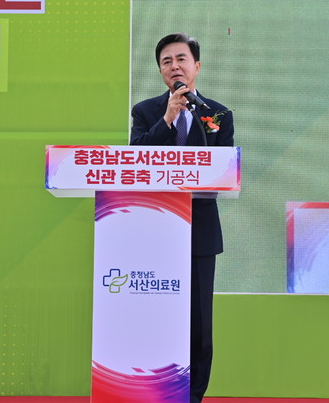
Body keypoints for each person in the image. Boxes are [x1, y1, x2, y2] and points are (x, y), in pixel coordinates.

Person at [130, 33, 234, 403]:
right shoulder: (145, 112)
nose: (174, 66)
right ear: (161, 71)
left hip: (199, 232)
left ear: (196, 66)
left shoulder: (218, 114)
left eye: (181, 59)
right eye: (166, 61)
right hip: (156, 228)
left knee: (199, 325)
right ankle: (155, 391)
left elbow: (224, 171)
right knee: (157, 317)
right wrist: (168, 119)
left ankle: (193, 397)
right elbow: (136, 160)